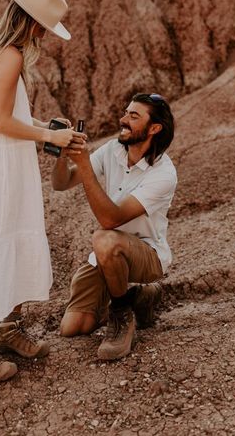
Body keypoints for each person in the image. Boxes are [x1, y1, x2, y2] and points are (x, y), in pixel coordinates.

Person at [0, 0, 84, 382]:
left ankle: (9, 330)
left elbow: (7, 116)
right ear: (32, 24)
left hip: (1, 165)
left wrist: (46, 127)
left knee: (10, 239)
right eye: (45, 29)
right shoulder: (10, 55)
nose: (45, 37)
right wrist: (50, 136)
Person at [51, 93, 177, 360]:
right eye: (125, 112)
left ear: (154, 128)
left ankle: (121, 314)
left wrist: (85, 165)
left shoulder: (164, 174)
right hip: (106, 255)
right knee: (72, 328)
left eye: (134, 116)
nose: (123, 119)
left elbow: (110, 220)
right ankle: (137, 296)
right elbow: (61, 183)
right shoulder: (112, 150)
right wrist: (63, 156)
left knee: (105, 238)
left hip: (147, 254)